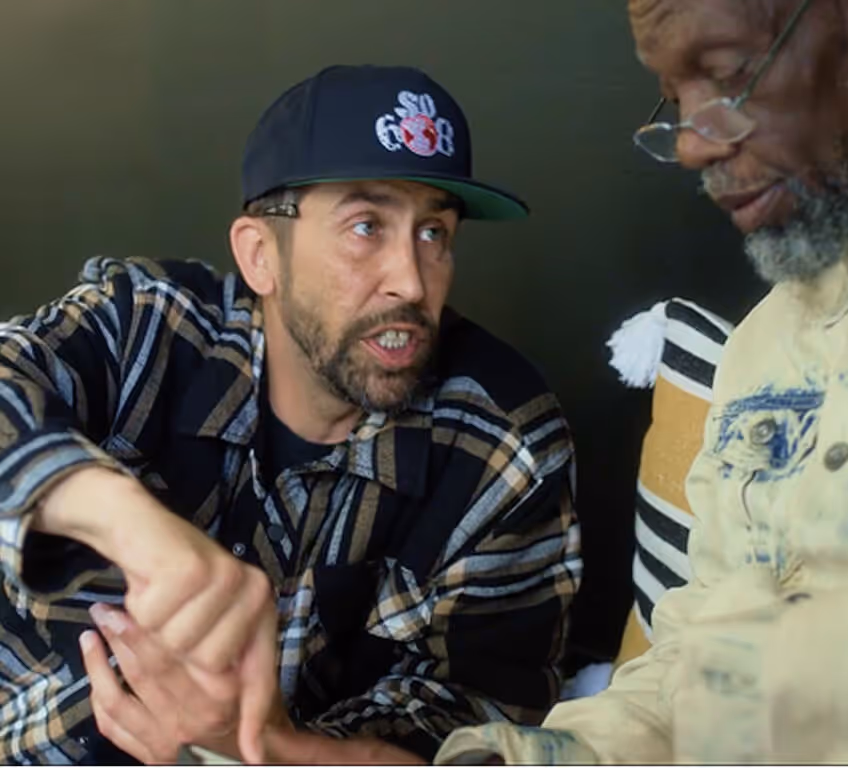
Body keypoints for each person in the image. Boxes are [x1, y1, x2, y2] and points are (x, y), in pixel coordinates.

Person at [436, 0, 848, 762]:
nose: (688, 145)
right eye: (674, 98)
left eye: (725, 76)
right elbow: (702, 660)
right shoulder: (767, 343)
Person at [0, 64, 581, 764]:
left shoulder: (504, 447)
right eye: (367, 225)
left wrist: (260, 745)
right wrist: (134, 526)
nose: (410, 279)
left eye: (433, 233)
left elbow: (479, 743)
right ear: (260, 256)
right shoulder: (150, 325)